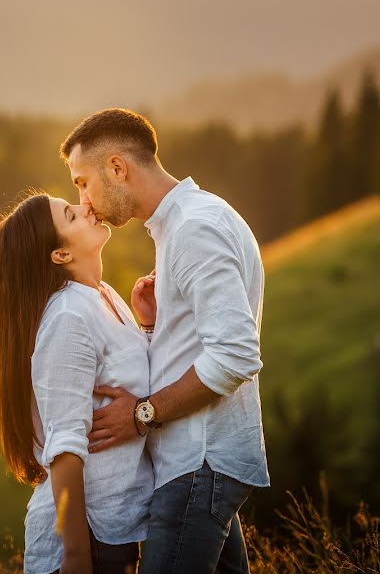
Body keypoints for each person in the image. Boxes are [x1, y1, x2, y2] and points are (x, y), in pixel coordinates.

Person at [59, 108, 270, 573]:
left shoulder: (195, 228)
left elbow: (236, 354)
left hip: (199, 462)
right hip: (194, 463)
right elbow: (209, 343)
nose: (84, 201)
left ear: (117, 168)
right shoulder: (186, 223)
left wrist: (142, 413)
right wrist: (157, 325)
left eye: (82, 182)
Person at [0, 191, 154, 574]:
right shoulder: (68, 317)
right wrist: (75, 556)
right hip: (87, 541)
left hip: (117, 528)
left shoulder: (103, 295)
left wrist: (147, 325)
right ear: (60, 255)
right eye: (71, 215)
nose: (86, 207)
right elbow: (64, 447)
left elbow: (127, 380)